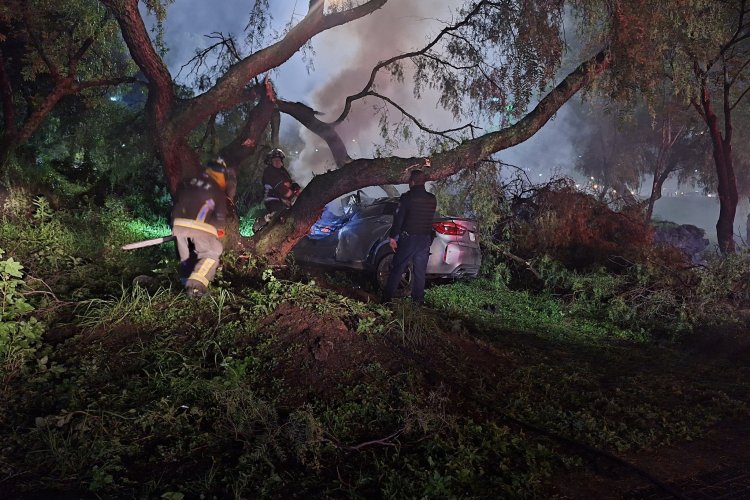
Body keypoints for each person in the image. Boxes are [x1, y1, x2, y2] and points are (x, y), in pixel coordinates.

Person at [171, 158, 228, 298]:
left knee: (187, 257)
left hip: (177, 225)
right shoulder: (216, 189)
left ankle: (184, 284)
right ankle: (195, 289)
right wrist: (218, 229)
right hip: (198, 226)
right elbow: (221, 218)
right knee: (213, 252)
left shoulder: (188, 182)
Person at [383, 168, 437, 305]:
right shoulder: (432, 199)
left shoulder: (407, 198)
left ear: (412, 182)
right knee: (419, 273)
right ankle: (418, 303)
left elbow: (399, 219)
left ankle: (386, 300)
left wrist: (393, 237)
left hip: (409, 239)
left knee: (397, 268)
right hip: (424, 240)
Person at [261, 148, 300, 218]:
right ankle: (264, 221)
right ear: (270, 162)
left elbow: (289, 183)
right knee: (281, 216)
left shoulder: (283, 171)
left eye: (278, 160)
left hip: (283, 200)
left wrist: (295, 187)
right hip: (273, 200)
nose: (277, 162)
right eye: (275, 160)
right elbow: (280, 187)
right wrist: (291, 194)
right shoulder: (269, 171)